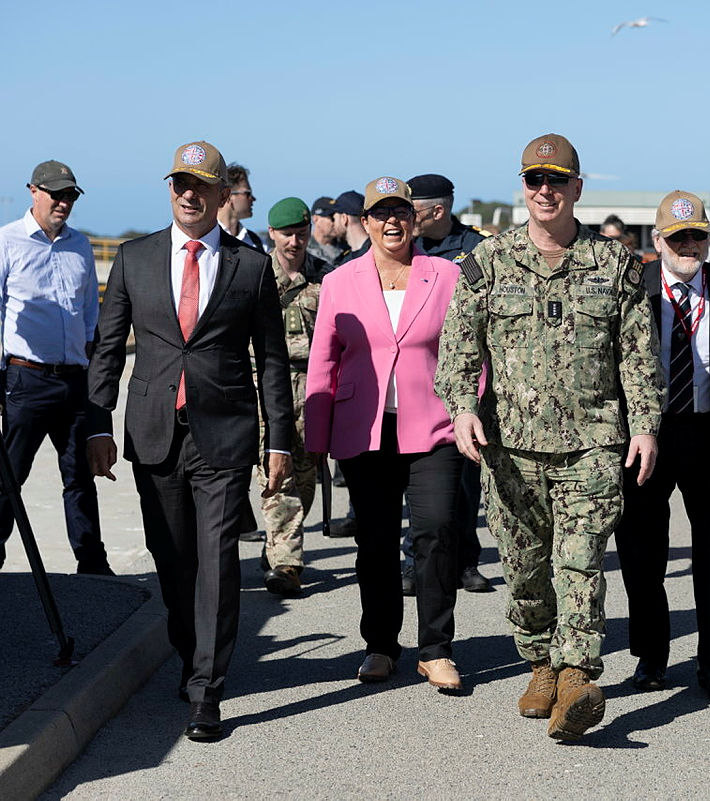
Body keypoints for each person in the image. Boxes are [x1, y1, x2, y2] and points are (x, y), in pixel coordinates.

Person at [434, 133, 662, 741]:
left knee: (580, 563)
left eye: (556, 180)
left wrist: (644, 426)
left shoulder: (615, 264)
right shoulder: (488, 262)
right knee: (526, 569)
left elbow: (638, 356)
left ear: (577, 188)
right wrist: (462, 409)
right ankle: (540, 663)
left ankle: (578, 677)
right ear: (523, 187)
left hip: (593, 442)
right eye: (534, 180)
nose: (545, 190)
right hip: (510, 446)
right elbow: (456, 351)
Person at [87, 141, 293, 741]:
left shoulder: (250, 266)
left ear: (221, 194)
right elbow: (108, 347)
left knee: (218, 563)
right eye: (180, 183)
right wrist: (97, 423)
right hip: (154, 433)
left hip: (223, 435)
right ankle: (189, 654)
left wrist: (279, 440)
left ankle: (208, 690)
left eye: (201, 185)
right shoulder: (135, 258)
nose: (188, 194)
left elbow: (272, 360)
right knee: (173, 560)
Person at [305, 176, 467, 693]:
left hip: (434, 426)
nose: (392, 222)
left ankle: (436, 650)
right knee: (374, 541)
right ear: (366, 222)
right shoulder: (340, 281)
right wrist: (316, 436)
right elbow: (323, 360)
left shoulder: (446, 275)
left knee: (436, 532)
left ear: (415, 220)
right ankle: (379, 645)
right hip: (365, 428)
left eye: (401, 212)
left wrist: (473, 413)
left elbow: (471, 352)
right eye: (381, 214)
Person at [614, 191, 710, 702]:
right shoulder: (634, 286)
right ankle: (651, 657)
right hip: (647, 434)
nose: (688, 246)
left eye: (697, 236)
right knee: (641, 551)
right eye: (678, 237)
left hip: (709, 435)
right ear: (657, 241)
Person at [0, 160, 110, 575]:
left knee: (80, 477)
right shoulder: (7, 241)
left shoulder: (80, 245)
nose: (64, 202)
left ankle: (92, 565)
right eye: (56, 194)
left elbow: (89, 313)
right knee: (9, 478)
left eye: (70, 196)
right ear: (33, 191)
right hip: (26, 380)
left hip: (73, 380)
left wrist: (89, 364)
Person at [407, 173, 491, 595]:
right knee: (419, 479)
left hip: (466, 378)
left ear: (437, 210)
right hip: (418, 377)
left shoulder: (475, 248)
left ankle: (465, 561)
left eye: (413, 210)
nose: (404, 218)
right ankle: (413, 561)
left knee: (465, 478)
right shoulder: (405, 246)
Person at [257, 198, 323, 596]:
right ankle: (287, 563)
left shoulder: (325, 277)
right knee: (277, 476)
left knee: (305, 476)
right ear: (272, 233)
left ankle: (278, 543)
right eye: (287, 234)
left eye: (301, 233)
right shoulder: (257, 275)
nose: (295, 242)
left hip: (313, 388)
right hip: (268, 387)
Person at [217, 164, 265, 250]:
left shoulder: (256, 242)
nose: (253, 199)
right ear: (228, 196)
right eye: (247, 193)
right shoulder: (207, 238)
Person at [308, 196, 345, 264]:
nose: (336, 222)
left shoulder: (346, 248)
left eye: (337, 217)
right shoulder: (303, 248)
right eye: (332, 218)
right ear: (315, 219)